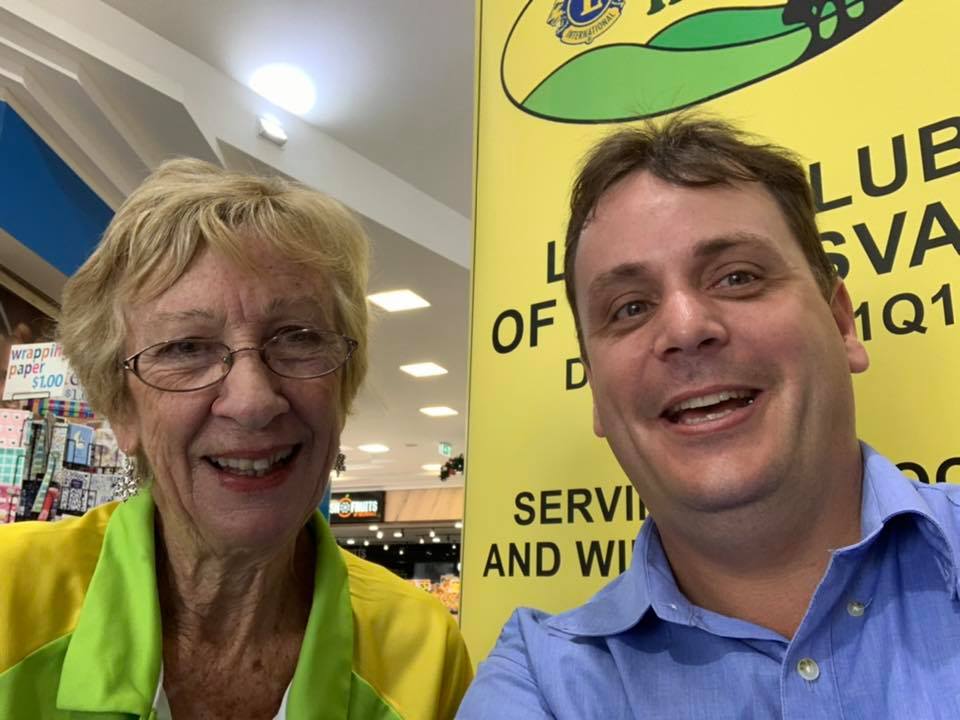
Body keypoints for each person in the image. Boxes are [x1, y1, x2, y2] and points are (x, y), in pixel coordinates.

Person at [457, 115, 960, 718]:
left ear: (841, 322)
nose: (687, 329)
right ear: (594, 388)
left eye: (738, 277)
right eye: (630, 307)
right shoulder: (541, 683)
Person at [0, 159, 472, 718]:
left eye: (297, 337)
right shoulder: (12, 600)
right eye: (185, 348)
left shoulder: (424, 654)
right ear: (120, 405)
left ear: (343, 384)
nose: (252, 401)